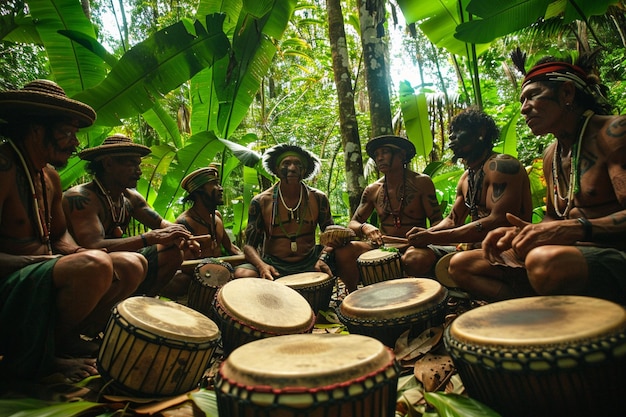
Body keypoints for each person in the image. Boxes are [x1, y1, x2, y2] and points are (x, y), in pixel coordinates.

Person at [448, 53, 626, 305]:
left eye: (532, 95)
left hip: (614, 252)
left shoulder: (613, 133)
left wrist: (573, 228)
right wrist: (524, 232)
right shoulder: (551, 154)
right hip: (567, 253)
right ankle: (534, 315)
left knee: (543, 262)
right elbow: (554, 216)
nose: (523, 108)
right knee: (463, 264)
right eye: (522, 100)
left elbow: (566, 225)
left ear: (566, 93)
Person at [0, 80, 146, 382]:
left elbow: (59, 237)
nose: (75, 143)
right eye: (67, 133)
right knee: (96, 263)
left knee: (132, 264)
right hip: (11, 279)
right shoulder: (4, 168)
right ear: (37, 130)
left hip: (42, 270)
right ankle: (36, 357)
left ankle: (63, 341)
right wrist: (33, 263)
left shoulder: (49, 175)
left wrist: (79, 252)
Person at [63, 134, 196, 297]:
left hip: (123, 261)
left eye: (138, 164)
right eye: (131, 164)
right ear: (108, 163)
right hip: (86, 265)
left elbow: (161, 224)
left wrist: (185, 237)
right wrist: (149, 238)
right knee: (130, 263)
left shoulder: (129, 197)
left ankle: (140, 304)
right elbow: (93, 245)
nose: (139, 171)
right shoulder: (82, 198)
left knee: (173, 252)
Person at [404, 108, 532, 276]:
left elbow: (498, 221)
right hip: (473, 247)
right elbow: (452, 220)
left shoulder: (501, 166)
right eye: (451, 132)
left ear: (481, 132)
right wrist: (426, 234)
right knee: (414, 258)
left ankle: (516, 299)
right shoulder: (466, 177)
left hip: (507, 248)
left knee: (459, 263)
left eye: (458, 130)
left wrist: (433, 238)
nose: (451, 136)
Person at [333, 135, 443, 292]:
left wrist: (428, 235)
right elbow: (353, 223)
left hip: (414, 245)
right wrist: (365, 228)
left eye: (384, 152)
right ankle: (353, 296)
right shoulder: (373, 189)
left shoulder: (421, 183)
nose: (379, 158)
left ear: (401, 155)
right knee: (344, 252)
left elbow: (437, 220)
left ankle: (422, 296)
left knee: (414, 259)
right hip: (384, 245)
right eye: (376, 155)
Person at [233, 144, 334, 280]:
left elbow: (331, 236)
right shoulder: (261, 201)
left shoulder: (318, 198)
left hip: (310, 261)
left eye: (297, 164)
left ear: (304, 170)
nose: (292, 168)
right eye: (286, 163)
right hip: (273, 264)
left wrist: (323, 258)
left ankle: (352, 297)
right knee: (243, 273)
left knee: (346, 253)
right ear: (276, 169)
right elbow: (249, 246)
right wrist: (262, 266)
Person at [176, 164, 242, 258]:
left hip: (220, 268)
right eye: (213, 184)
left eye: (218, 184)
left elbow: (230, 248)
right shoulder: (185, 223)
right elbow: (182, 262)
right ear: (199, 191)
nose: (220, 189)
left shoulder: (217, 217)